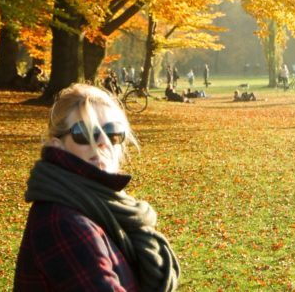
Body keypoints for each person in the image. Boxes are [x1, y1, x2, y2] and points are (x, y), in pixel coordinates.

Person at [14, 83, 180, 291]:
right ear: (57, 146)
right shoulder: (63, 221)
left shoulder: (105, 209)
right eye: (84, 132)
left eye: (112, 132)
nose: (103, 141)